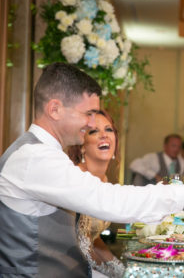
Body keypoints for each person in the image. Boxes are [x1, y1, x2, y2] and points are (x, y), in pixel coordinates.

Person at [0, 62, 184, 277]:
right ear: (54, 109)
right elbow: (108, 200)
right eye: (88, 114)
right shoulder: (34, 158)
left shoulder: (43, 153)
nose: (91, 123)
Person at [67, 110, 123, 277]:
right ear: (82, 146)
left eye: (109, 129)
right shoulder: (78, 178)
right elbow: (82, 243)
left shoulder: (104, 179)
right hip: (70, 265)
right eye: (94, 131)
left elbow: (93, 237)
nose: (104, 135)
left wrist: (119, 268)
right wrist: (111, 273)